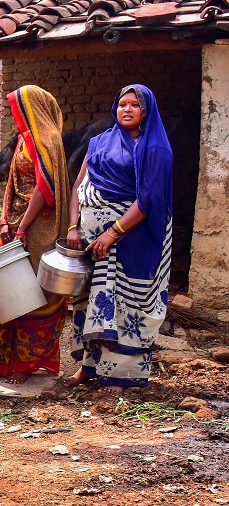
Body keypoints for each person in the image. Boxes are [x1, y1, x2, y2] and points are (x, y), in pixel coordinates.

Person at [66, 84, 172, 392]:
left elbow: (148, 198)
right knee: (87, 301)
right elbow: (79, 187)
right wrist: (73, 227)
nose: (126, 109)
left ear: (146, 111)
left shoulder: (155, 148)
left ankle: (120, 375)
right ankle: (88, 367)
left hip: (129, 241)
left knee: (122, 304)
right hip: (88, 240)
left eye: (134, 105)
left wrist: (112, 233)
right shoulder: (99, 142)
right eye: (121, 104)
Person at [0, 87, 71, 384]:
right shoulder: (24, 141)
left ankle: (24, 365)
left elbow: (44, 188)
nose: (16, 116)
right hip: (13, 226)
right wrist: (4, 219)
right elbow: (13, 182)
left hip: (36, 227)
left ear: (33, 109)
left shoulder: (47, 141)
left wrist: (24, 226)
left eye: (18, 109)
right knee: (4, 290)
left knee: (29, 292)